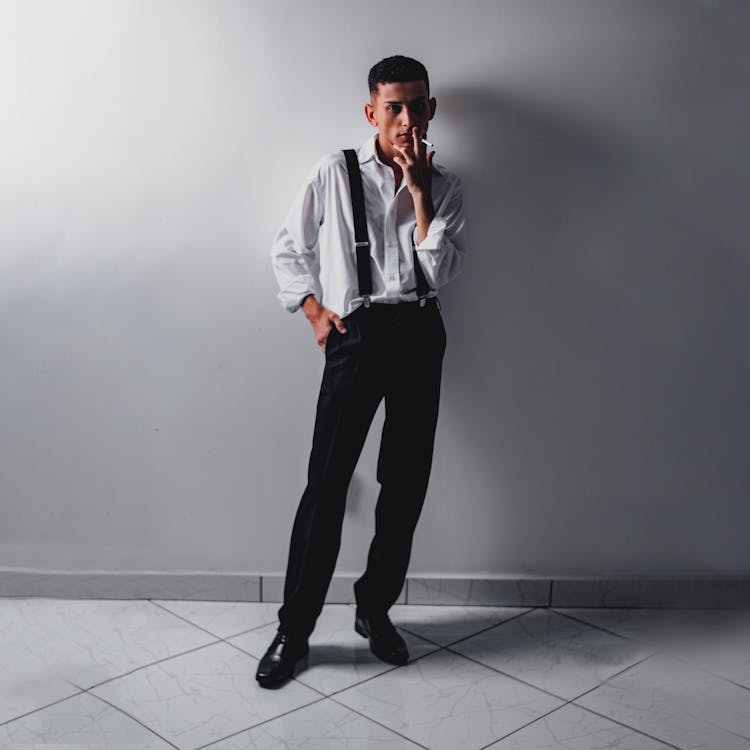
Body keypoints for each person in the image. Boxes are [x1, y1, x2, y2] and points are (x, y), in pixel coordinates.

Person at [258, 54, 466, 688]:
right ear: (371, 111)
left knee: (404, 482)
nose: (406, 120)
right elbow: (287, 247)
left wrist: (421, 194)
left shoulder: (449, 187)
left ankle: (374, 611)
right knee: (327, 483)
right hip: (356, 334)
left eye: (417, 106)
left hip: (420, 331)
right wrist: (315, 311)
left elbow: (442, 273)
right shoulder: (336, 171)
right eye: (393, 107)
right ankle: (294, 629)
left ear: (432, 110)